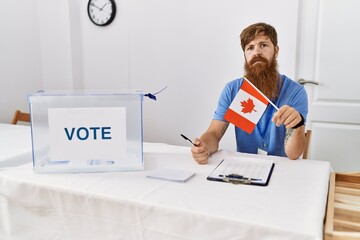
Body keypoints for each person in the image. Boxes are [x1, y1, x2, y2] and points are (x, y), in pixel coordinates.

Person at [191, 22, 308, 164]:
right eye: (250, 48)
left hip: (281, 169)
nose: (256, 52)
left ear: (276, 51)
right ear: (245, 55)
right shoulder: (232, 90)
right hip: (245, 168)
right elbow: (214, 134)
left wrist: (297, 125)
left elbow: (294, 154)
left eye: (263, 45)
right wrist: (204, 147)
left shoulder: (296, 92)